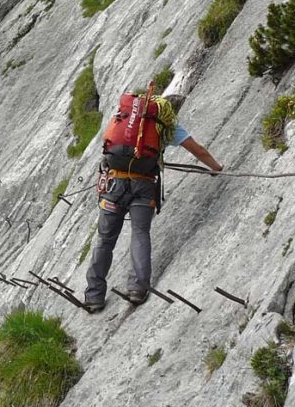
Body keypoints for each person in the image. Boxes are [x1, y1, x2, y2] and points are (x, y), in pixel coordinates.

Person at [83, 91, 223, 312]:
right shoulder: (168, 127)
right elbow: (199, 150)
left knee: (105, 239)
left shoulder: (129, 117)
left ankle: (94, 296)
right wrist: (217, 168)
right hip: (144, 186)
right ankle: (137, 288)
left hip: (114, 184)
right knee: (140, 232)